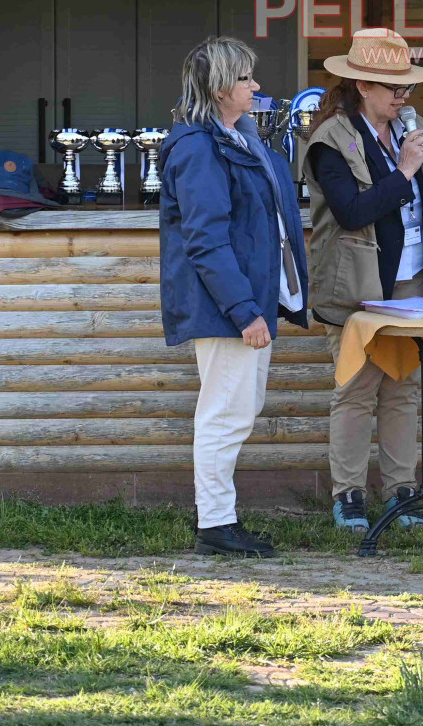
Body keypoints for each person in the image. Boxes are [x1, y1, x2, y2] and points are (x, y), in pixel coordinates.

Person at [302, 28, 423, 534]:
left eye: (407, 88)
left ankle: (400, 491)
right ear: (362, 86)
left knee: (402, 388)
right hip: (357, 290)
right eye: (394, 88)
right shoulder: (331, 142)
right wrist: (405, 171)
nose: (404, 97)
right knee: (356, 389)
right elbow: (351, 211)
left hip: (410, 282)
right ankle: (348, 496)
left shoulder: (407, 133)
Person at [158, 36, 309, 557]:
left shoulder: (236, 138)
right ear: (222, 87)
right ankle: (216, 526)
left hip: (244, 300)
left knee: (236, 411)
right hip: (226, 306)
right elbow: (206, 240)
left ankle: (220, 521)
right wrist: (244, 310)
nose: (255, 86)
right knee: (224, 415)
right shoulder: (198, 148)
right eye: (246, 78)